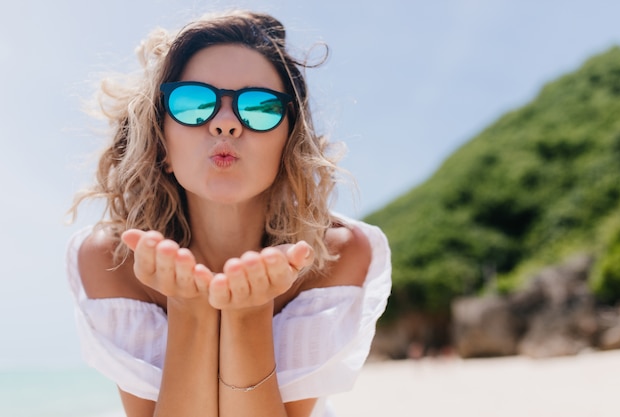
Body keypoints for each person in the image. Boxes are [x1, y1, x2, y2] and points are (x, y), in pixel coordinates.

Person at [67, 9, 391, 417]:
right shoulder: (113, 260)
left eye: (259, 108)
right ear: (162, 144)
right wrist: (188, 307)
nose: (225, 123)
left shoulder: (335, 256)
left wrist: (249, 314)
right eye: (193, 103)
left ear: (288, 144)